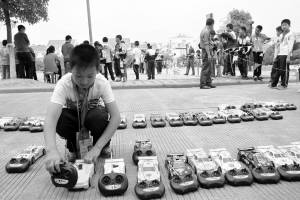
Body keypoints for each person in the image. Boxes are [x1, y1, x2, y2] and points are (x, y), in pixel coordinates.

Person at [44, 44, 120, 174]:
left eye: (90, 76)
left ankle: (102, 145)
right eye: (78, 76)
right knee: (61, 118)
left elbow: (116, 117)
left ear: (98, 70)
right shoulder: (64, 84)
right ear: (69, 68)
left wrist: (97, 147)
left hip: (93, 116)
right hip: (75, 119)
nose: (84, 81)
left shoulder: (102, 83)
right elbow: (51, 117)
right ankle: (73, 147)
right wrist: (51, 150)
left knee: (99, 116)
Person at [270, 19, 295, 90]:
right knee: (275, 69)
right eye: (282, 25)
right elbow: (278, 46)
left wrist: (288, 57)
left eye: (285, 25)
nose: (284, 26)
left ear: (289, 26)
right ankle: (273, 84)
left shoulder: (291, 34)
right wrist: (276, 56)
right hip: (280, 54)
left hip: (286, 54)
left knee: (284, 70)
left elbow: (290, 46)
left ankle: (284, 85)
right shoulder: (281, 35)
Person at [199, 18, 216, 89]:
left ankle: (208, 82)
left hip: (207, 51)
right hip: (206, 51)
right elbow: (206, 44)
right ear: (212, 24)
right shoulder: (206, 32)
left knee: (209, 68)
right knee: (206, 68)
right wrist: (209, 54)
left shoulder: (205, 30)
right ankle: (203, 84)